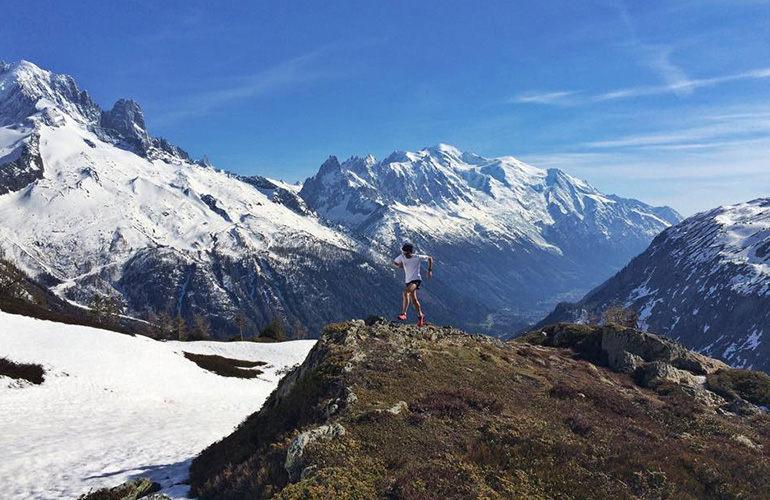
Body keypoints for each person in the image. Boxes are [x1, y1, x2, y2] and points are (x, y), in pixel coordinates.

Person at [393, 241, 433, 326]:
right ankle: (421, 315)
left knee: (406, 293)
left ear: (410, 252)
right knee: (414, 300)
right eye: (403, 252)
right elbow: (395, 262)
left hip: (416, 280)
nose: (404, 253)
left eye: (405, 252)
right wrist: (400, 266)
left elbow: (430, 258)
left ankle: (404, 313)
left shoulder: (417, 257)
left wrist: (429, 271)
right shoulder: (402, 257)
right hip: (408, 280)